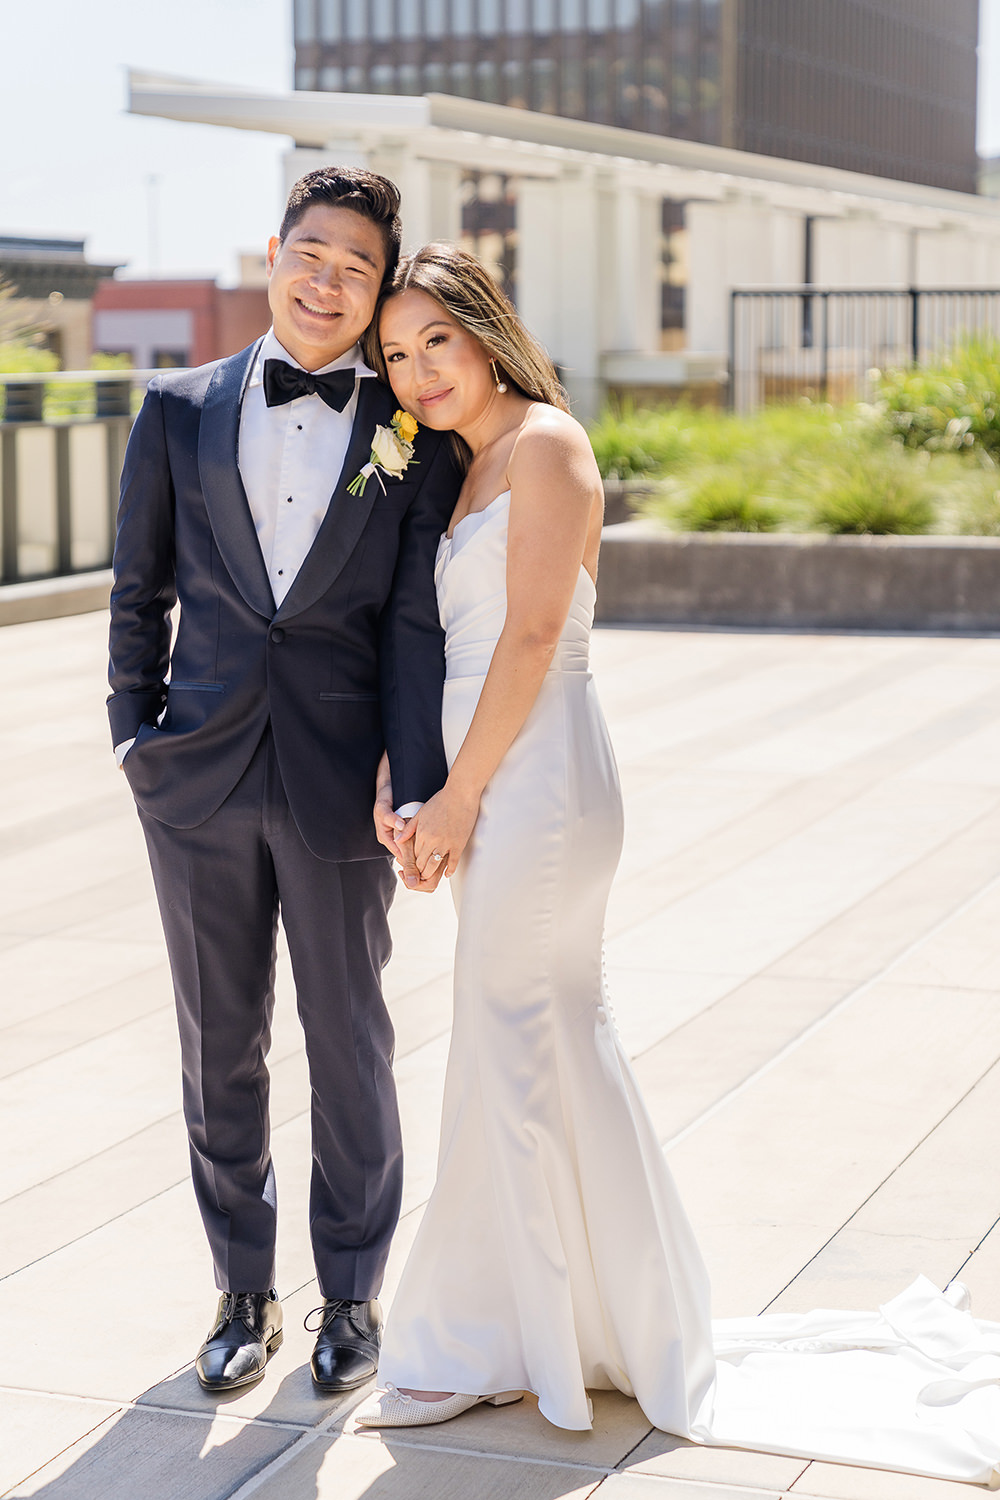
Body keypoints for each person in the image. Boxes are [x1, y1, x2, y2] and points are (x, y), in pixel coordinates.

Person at [354, 245, 1000, 1487]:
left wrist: (464, 794)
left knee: (522, 1027)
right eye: (395, 352)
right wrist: (412, 781)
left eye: (435, 338)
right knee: (524, 1036)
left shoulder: (545, 442)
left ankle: (535, 1332)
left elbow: (534, 633)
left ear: (486, 328)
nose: (416, 369)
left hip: (536, 781)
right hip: (485, 778)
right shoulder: (458, 461)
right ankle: (546, 1326)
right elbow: (436, 641)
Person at [107, 169, 460, 1397]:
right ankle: (241, 1291)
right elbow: (136, 590)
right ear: (275, 254)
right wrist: (130, 736)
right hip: (194, 778)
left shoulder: (411, 435)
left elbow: (416, 626)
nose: (328, 282)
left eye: (356, 268)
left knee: (349, 1038)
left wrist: (412, 782)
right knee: (219, 1044)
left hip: (338, 790)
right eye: (312, 255)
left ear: (378, 290)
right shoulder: (178, 406)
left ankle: (351, 1299)